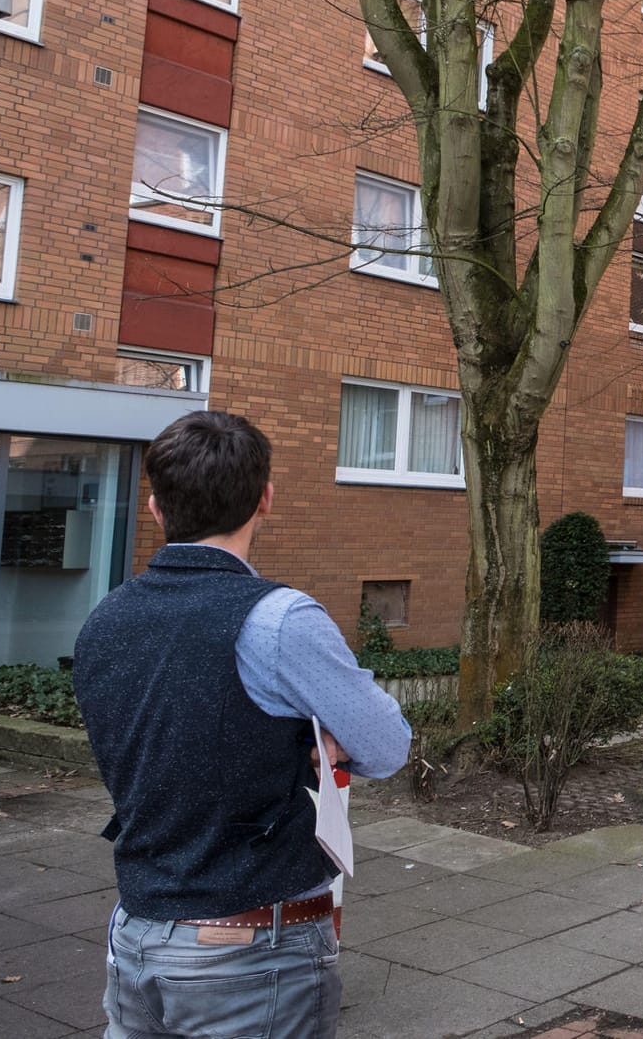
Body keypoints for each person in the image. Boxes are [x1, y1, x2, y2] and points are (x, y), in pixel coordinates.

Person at [73, 410, 412, 1039]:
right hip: (251, 950)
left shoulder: (105, 619)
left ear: (155, 508)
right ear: (266, 499)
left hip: (136, 934)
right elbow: (388, 745)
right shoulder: (281, 620)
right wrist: (318, 738)